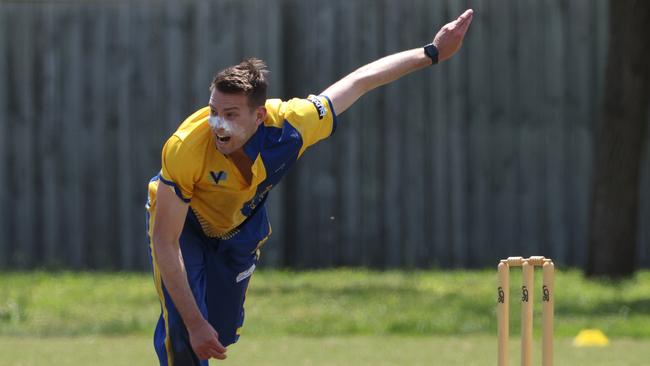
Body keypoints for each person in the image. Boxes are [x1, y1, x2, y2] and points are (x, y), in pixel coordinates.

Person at [146, 8, 474, 365]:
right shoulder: (185, 148)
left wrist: (432, 52)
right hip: (186, 226)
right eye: (213, 111)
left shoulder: (293, 124)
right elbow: (166, 240)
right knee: (186, 333)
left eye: (231, 114)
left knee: (219, 333)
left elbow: (359, 81)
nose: (218, 125)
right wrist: (192, 323)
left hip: (241, 229)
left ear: (259, 116)